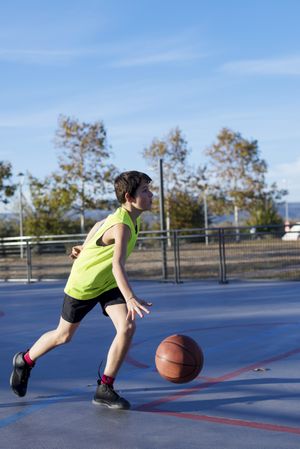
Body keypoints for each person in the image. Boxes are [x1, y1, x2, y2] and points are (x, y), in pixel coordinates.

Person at [10, 171, 153, 410]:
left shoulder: (126, 218)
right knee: (63, 335)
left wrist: (84, 246)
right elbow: (117, 265)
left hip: (106, 284)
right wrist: (130, 297)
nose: (151, 195)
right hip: (83, 285)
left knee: (127, 326)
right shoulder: (122, 226)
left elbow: (99, 225)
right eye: (145, 191)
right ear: (129, 197)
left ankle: (105, 388)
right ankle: (24, 360)